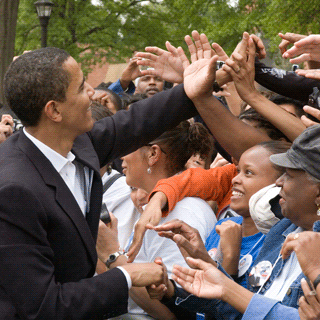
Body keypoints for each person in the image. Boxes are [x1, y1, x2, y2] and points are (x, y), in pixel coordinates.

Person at [0, 47, 201, 319]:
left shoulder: (79, 142)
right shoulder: (13, 190)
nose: (93, 93)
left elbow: (137, 121)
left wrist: (193, 86)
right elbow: (43, 307)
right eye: (82, 87)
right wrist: (126, 275)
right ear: (54, 111)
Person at [169, 124, 320, 320]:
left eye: (289, 175)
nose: (279, 182)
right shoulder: (281, 231)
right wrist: (172, 290)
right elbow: (245, 309)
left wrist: (316, 272)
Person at [105, 121, 216, 320]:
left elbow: (173, 310)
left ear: (153, 154)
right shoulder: (165, 206)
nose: (122, 156)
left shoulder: (179, 214)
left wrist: (110, 254)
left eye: (129, 146)